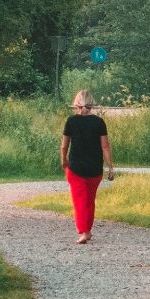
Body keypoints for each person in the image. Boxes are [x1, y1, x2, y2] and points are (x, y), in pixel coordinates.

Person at [60, 90, 114, 244]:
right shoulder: (99, 122)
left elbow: (64, 146)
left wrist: (63, 161)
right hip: (95, 169)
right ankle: (87, 230)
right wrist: (110, 167)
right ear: (92, 103)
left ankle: (85, 231)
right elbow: (105, 147)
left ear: (76, 103)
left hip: (76, 168)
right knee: (89, 200)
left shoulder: (71, 121)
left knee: (80, 201)